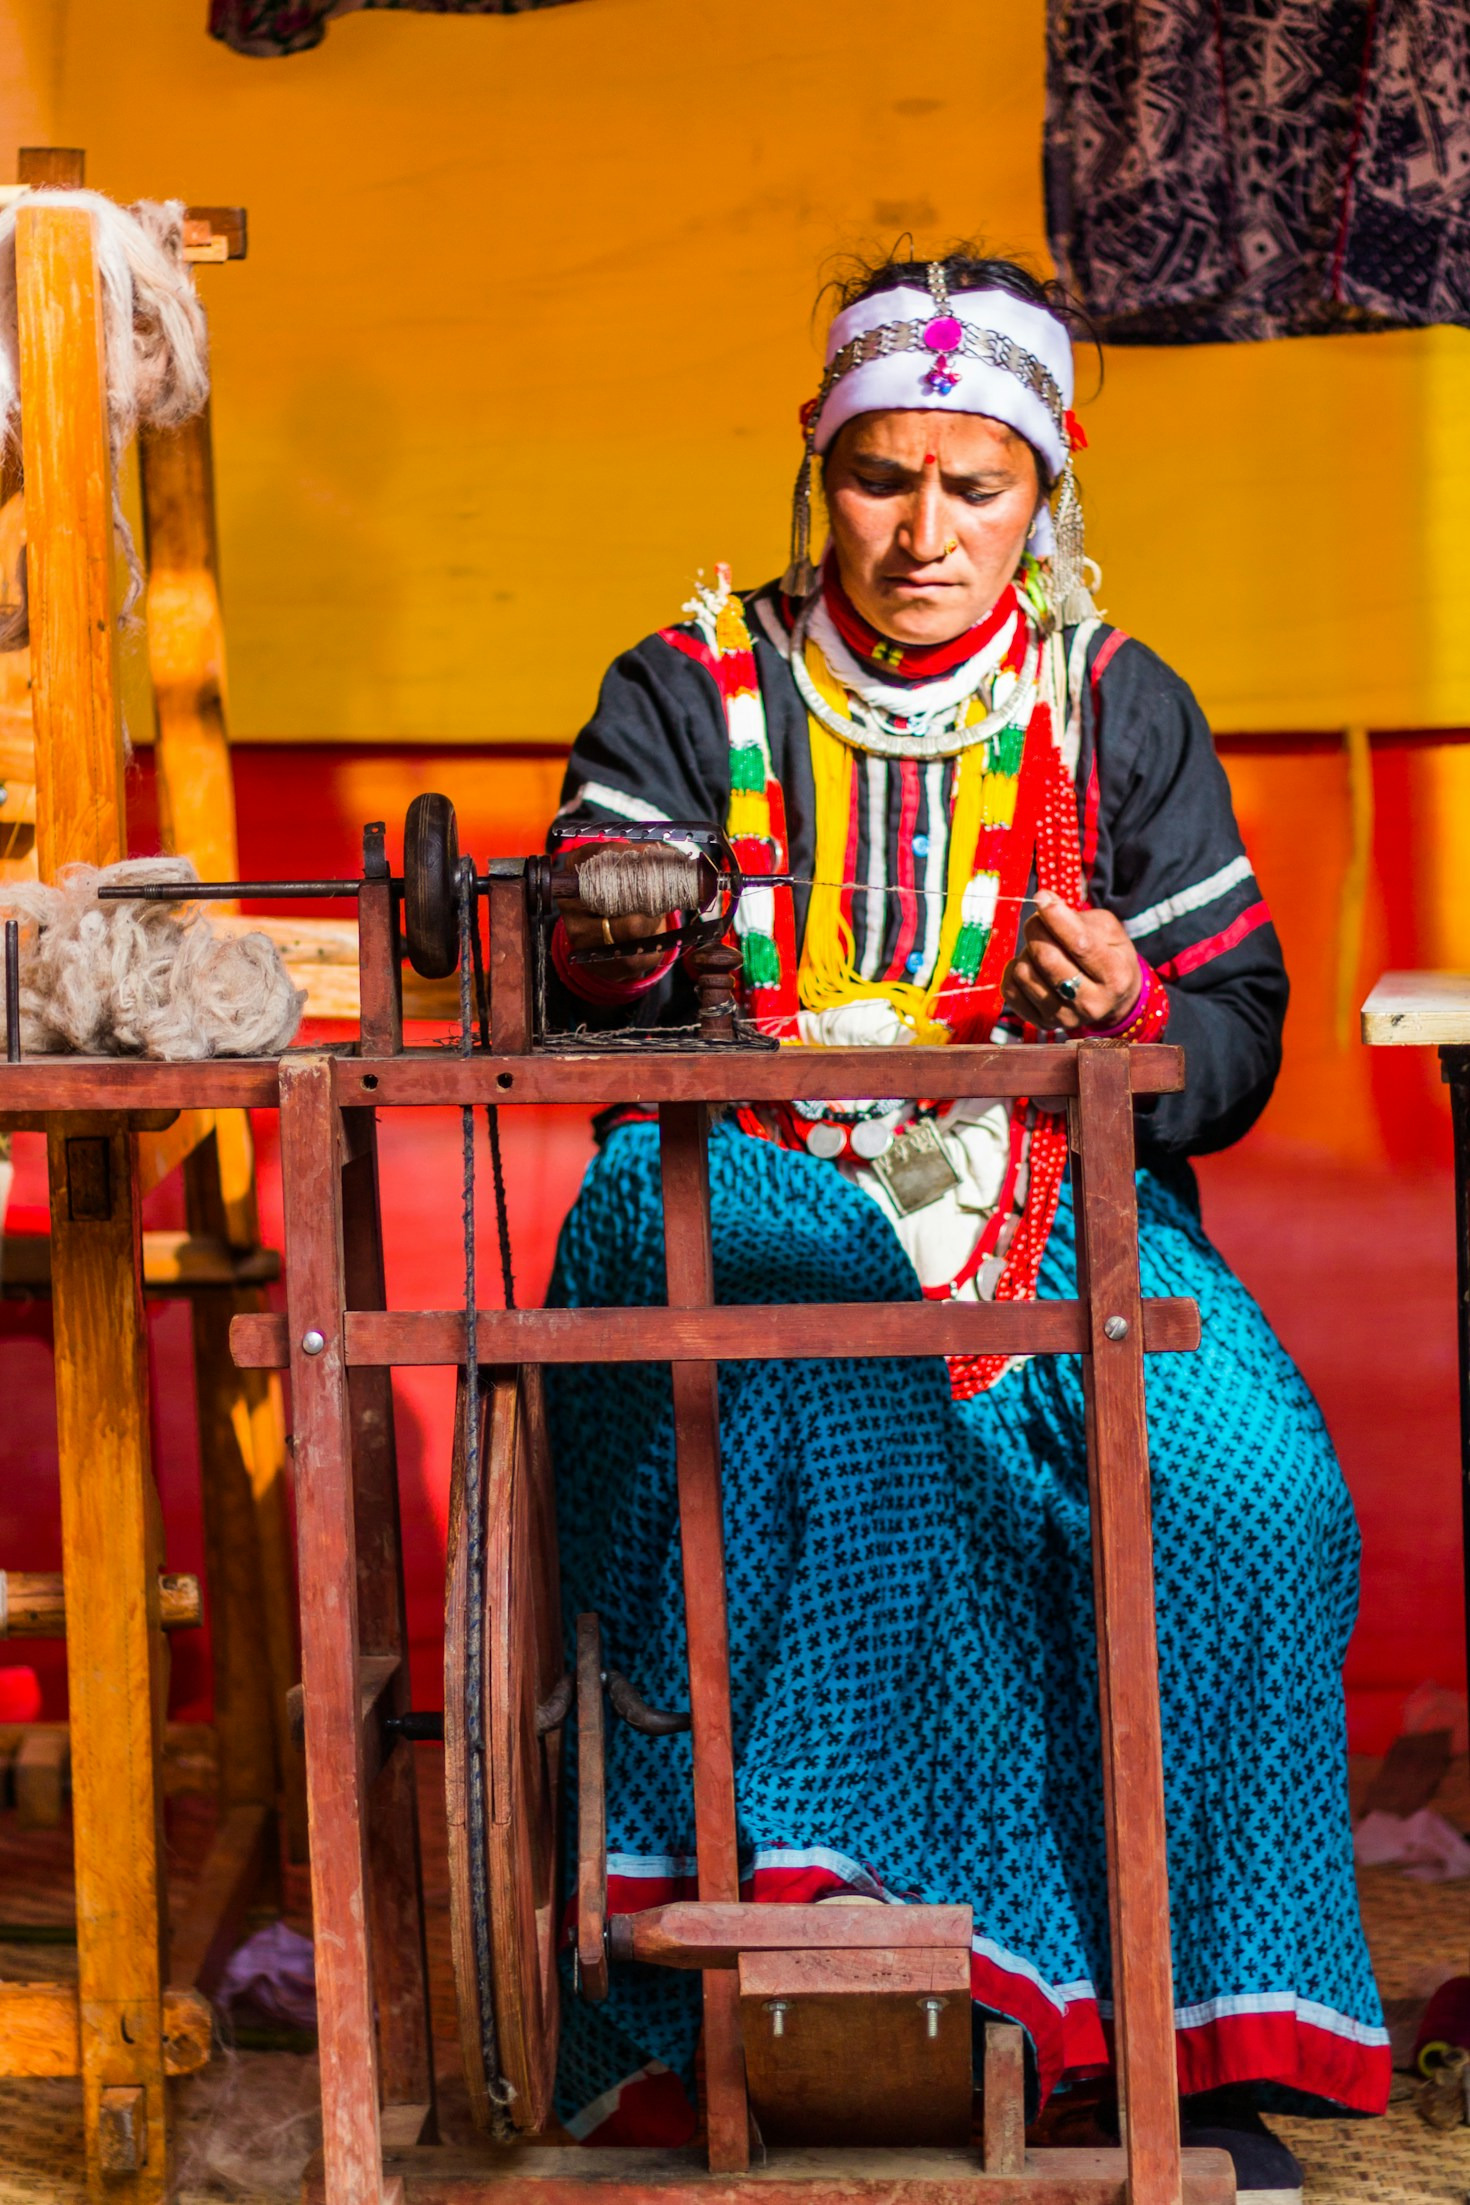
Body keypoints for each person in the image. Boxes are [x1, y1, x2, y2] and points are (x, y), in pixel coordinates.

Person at [542, 247, 1387, 2188]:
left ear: (1048, 483)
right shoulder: (692, 688)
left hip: (1050, 1213)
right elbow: (589, 930)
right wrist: (627, 930)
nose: (923, 531)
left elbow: (1238, 1036)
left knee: (1242, 1488)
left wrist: (1148, 1017)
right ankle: (775, 2014)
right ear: (817, 467)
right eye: (881, 478)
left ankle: (1190, 2043)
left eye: (975, 483)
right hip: (748, 1170)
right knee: (820, 1355)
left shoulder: (1113, 704)